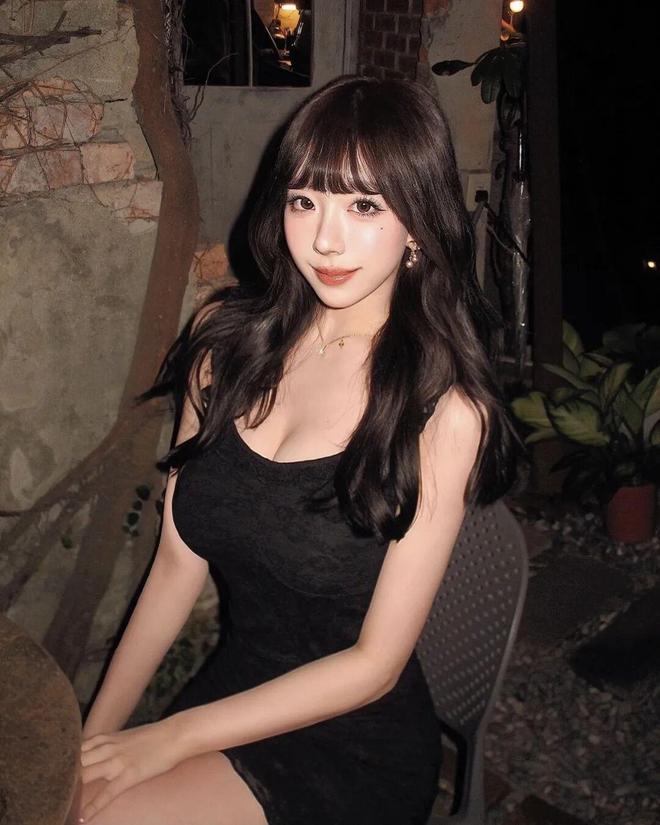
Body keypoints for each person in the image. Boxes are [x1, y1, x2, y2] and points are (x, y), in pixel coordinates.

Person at [78, 75, 519, 825]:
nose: (324, 240)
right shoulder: (225, 344)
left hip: (352, 742)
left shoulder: (442, 411)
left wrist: (167, 737)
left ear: (418, 223)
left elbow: (374, 666)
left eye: (364, 206)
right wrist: (93, 741)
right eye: (305, 200)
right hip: (235, 691)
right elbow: (177, 565)